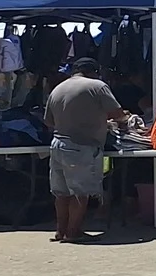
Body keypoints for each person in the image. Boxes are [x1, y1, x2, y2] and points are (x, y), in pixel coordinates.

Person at [45, 58, 125, 243]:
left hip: (57, 144)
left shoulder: (58, 88)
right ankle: (74, 232)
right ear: (94, 71)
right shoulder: (97, 86)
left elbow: (48, 122)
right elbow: (117, 114)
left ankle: (60, 231)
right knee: (81, 192)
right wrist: (119, 120)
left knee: (61, 192)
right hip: (82, 146)